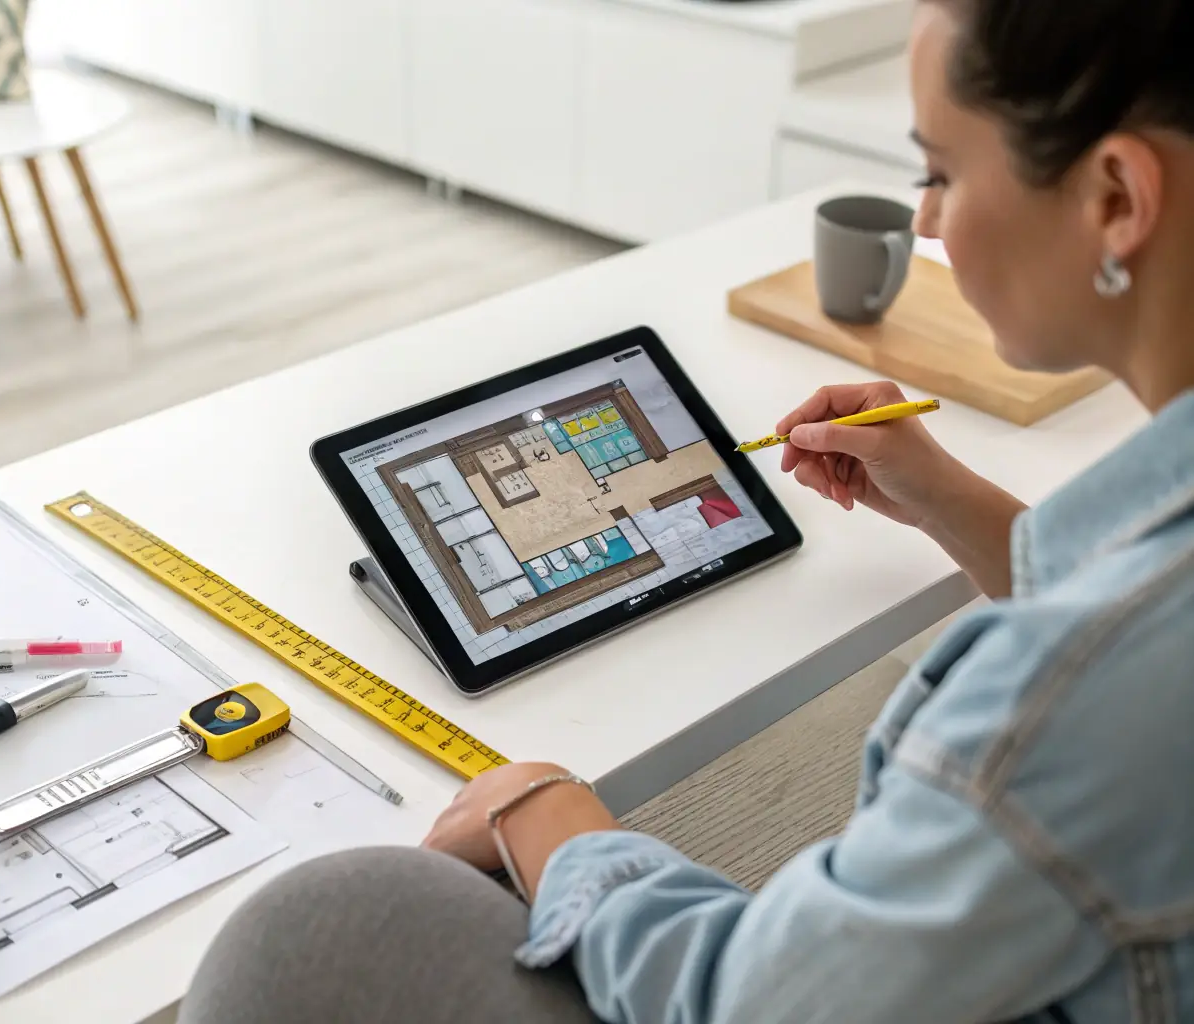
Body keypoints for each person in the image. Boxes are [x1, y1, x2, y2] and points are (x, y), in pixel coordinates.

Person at [178, 0, 1194, 1019]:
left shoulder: (1065, 708)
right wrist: (957, 503)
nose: (923, 221)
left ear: (1115, 197)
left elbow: (748, 1001)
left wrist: (549, 813)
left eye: (939, 172)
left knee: (314, 927)